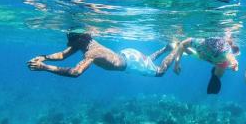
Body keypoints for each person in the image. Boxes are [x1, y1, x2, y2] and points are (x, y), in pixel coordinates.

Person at [27, 32, 177, 78]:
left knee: (160, 72)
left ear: (80, 39)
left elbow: (75, 72)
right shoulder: (84, 43)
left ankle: (177, 48)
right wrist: (43, 56)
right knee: (147, 61)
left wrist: (45, 67)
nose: (69, 44)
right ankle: (165, 49)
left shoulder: (92, 53)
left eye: (70, 41)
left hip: (130, 62)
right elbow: (62, 55)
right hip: (128, 54)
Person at [173, 37, 239, 94]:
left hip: (209, 55)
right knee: (218, 72)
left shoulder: (224, 54)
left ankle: (214, 69)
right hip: (210, 55)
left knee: (218, 70)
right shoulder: (200, 44)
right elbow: (182, 44)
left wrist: (177, 63)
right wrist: (177, 63)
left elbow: (232, 60)